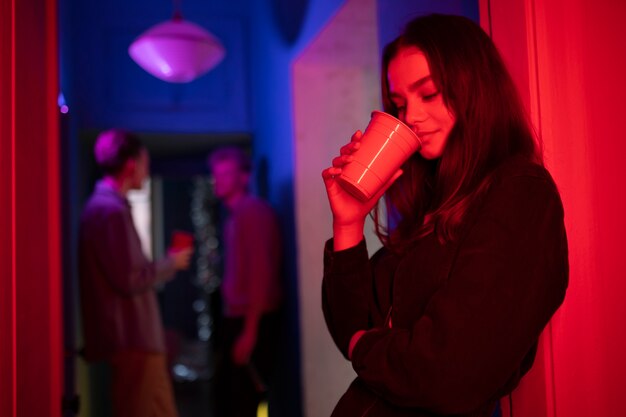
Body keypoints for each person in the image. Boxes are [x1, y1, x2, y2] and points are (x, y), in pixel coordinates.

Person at [321, 14, 568, 417]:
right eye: (400, 104)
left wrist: (362, 347)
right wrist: (348, 223)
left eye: (429, 94)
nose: (410, 117)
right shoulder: (437, 202)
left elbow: (449, 372)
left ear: (474, 87)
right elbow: (355, 322)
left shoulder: (520, 192)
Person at [78, 129, 193, 417]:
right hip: (133, 338)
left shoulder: (106, 208)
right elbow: (129, 279)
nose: (146, 172)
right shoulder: (109, 211)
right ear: (131, 165)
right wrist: (171, 263)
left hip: (135, 339)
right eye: (145, 164)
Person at [208, 146, 283, 417]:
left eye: (226, 174)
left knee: (242, 400)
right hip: (237, 318)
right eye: (216, 174)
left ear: (243, 177)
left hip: (252, 319)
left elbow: (261, 275)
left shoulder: (253, 213)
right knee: (229, 397)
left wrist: (250, 332)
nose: (218, 180)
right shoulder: (235, 217)